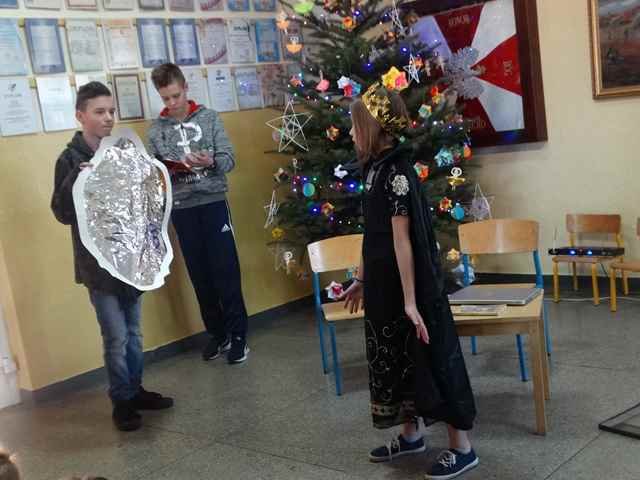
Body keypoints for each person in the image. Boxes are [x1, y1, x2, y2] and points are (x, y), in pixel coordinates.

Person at [340, 83, 478, 479]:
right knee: (397, 359)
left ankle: (462, 447)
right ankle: (411, 435)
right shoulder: (374, 168)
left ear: (372, 127)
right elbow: (373, 234)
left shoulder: (397, 173)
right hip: (384, 286)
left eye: (354, 125)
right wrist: (361, 278)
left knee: (431, 358)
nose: (350, 132)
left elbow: (403, 242)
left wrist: (411, 301)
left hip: (412, 287)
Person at [51, 82, 174, 432]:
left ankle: (136, 390)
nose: (108, 118)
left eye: (111, 111)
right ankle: (122, 400)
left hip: (130, 262)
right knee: (116, 336)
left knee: (134, 333)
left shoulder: (122, 150)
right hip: (98, 269)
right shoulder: (69, 159)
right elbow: (61, 212)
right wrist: (77, 177)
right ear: (81, 116)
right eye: (99, 112)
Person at [148, 63, 249, 364]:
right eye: (166, 98)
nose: (172, 103)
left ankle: (239, 336)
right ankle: (218, 334)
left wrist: (211, 161)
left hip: (213, 203)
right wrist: (165, 171)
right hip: (182, 209)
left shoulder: (209, 118)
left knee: (225, 271)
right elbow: (153, 175)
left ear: (185, 88)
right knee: (200, 275)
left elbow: (229, 158)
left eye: (176, 95)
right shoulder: (155, 131)